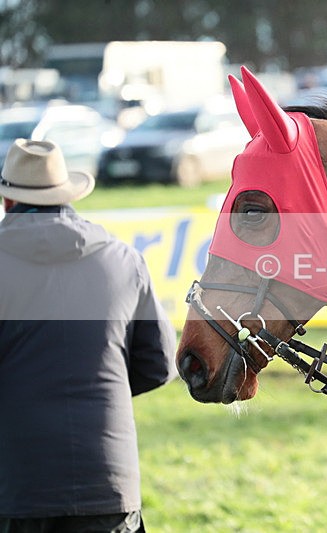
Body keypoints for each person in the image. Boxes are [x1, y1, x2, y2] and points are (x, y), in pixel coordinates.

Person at [0, 139, 177, 533]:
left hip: (15, 485)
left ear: (8, 201)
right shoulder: (123, 259)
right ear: (67, 195)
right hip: (107, 484)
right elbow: (159, 365)